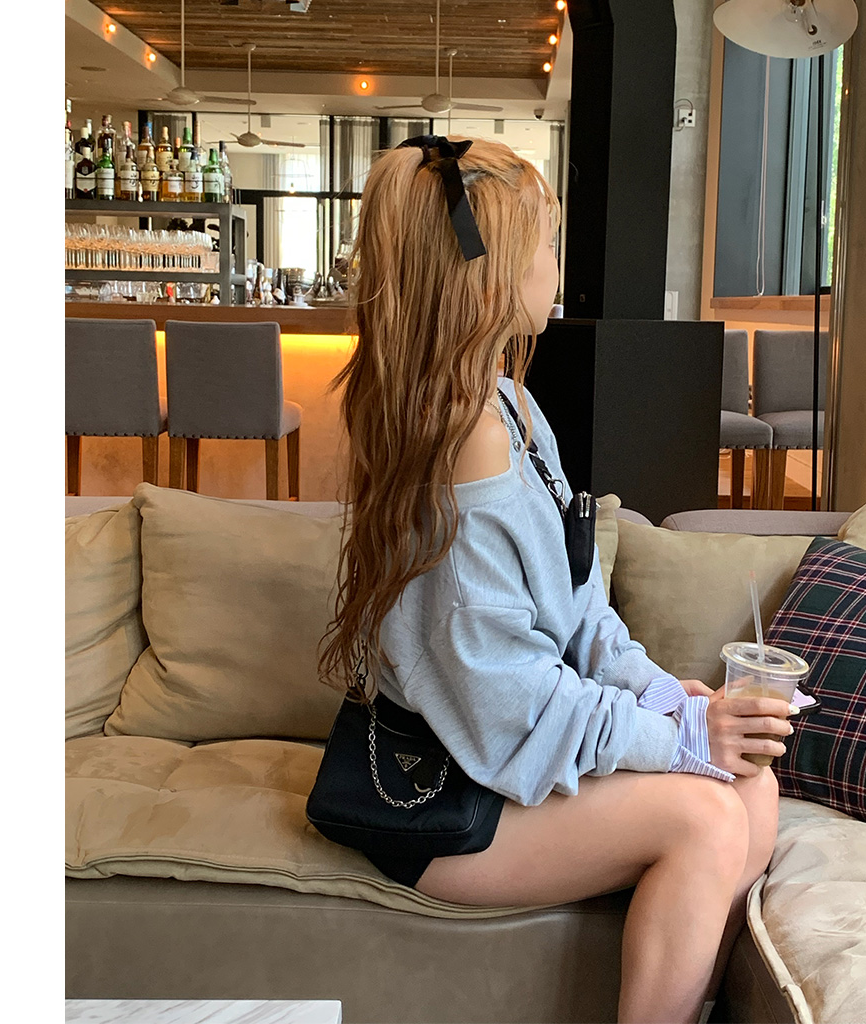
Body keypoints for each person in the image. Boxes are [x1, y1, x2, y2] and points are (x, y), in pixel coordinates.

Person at [317, 135, 795, 1024]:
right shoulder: (458, 446)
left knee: (754, 785)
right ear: (488, 274)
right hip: (443, 796)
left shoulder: (511, 405)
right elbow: (512, 709)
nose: (555, 265)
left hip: (502, 761)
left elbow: (580, 608)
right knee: (708, 815)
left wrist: (664, 697)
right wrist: (681, 738)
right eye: (544, 241)